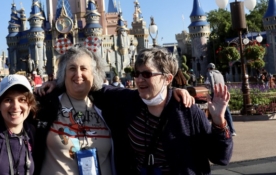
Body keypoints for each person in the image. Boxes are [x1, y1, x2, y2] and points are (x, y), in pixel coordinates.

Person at [0, 47, 194, 175]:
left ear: (95, 75)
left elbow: (145, 93)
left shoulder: (109, 104)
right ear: (63, 74)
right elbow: (11, 109)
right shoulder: (47, 103)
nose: (78, 74)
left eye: (84, 69)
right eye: (72, 68)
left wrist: (173, 91)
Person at [87, 48, 233, 174]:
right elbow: (95, 89)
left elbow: (221, 157)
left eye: (147, 74)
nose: (139, 79)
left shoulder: (186, 110)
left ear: (167, 78)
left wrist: (219, 121)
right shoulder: (129, 101)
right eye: (136, 74)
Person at [205, 63, 237, 136]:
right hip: (223, 93)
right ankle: (232, 130)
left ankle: (217, 130)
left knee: (215, 113)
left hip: (216, 94)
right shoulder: (220, 74)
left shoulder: (210, 73)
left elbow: (212, 84)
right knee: (226, 112)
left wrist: (212, 92)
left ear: (209, 68)